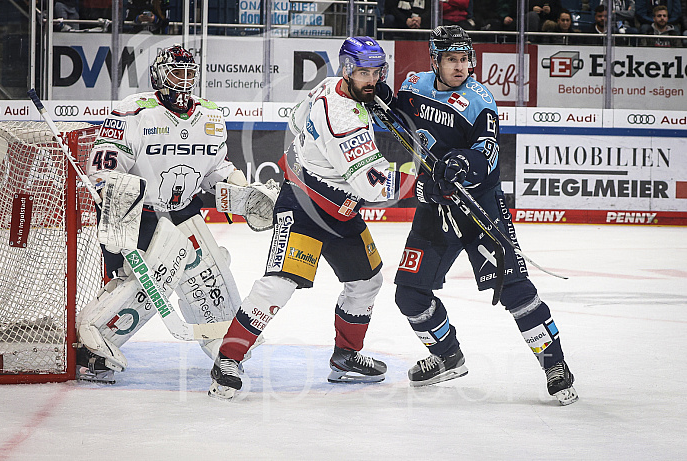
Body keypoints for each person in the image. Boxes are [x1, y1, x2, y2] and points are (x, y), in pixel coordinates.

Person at [381, 25, 578, 405]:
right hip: (437, 207)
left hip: (478, 205)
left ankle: (555, 365)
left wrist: (459, 165)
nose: (461, 66)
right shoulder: (414, 84)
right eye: (452, 59)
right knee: (409, 294)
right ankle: (446, 356)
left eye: (465, 58)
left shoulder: (479, 98)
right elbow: (396, 114)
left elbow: (487, 153)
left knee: (516, 291)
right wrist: (379, 97)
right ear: (435, 60)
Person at [208, 37, 407, 400]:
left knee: (366, 281)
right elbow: (376, 187)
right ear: (347, 69)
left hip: (339, 210)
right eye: (364, 72)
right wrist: (420, 177)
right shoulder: (343, 120)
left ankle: (346, 357)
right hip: (303, 209)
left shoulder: (329, 86)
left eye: (377, 72)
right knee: (279, 286)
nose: (372, 80)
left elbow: (297, 122)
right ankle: (227, 358)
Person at [75, 45, 250, 383]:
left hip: (185, 214)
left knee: (210, 279)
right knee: (138, 288)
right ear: (158, 76)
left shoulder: (211, 115)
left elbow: (216, 168)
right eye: (175, 72)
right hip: (138, 215)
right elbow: (103, 165)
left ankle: (225, 349)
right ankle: (94, 350)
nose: (183, 81)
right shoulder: (135, 112)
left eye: (189, 73)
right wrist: (113, 188)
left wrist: (237, 184)